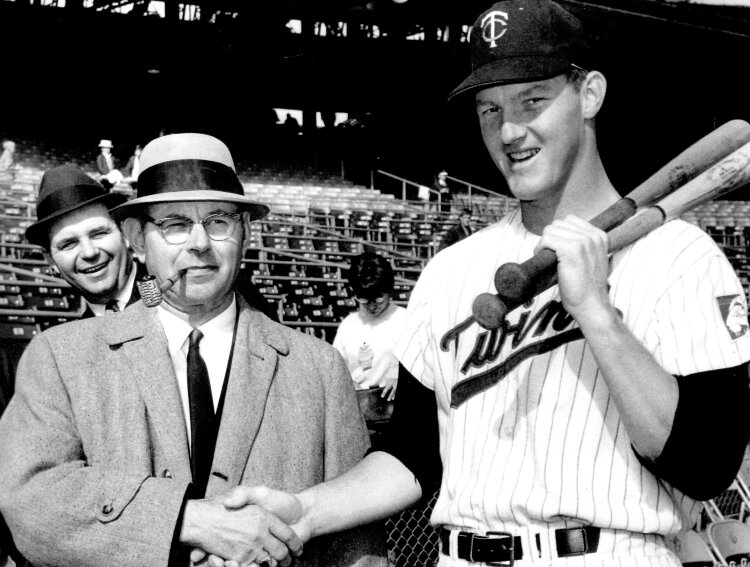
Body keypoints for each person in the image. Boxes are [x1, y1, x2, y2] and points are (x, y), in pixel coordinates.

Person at [223, 2, 750, 567]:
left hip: (607, 552)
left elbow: (705, 466)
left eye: (533, 100)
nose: (510, 131)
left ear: (590, 93)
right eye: (489, 109)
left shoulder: (680, 258)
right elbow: (413, 457)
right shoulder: (450, 271)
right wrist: (301, 513)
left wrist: (597, 314)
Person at [0, 133, 385, 567]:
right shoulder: (58, 358)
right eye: (175, 224)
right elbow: (30, 503)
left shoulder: (319, 368)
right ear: (138, 240)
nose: (199, 244)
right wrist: (186, 520)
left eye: (218, 220)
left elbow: (359, 550)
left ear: (246, 232)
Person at [24, 164, 141, 318]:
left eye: (98, 234)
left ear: (126, 234)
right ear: (51, 260)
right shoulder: (68, 340)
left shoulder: (176, 299)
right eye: (69, 244)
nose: (89, 252)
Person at [332, 252, 406, 401]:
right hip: (358, 403)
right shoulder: (348, 325)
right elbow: (336, 370)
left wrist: (402, 380)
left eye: (378, 298)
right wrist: (348, 384)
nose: (372, 306)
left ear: (388, 291)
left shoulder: (404, 319)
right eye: (365, 299)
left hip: (395, 403)